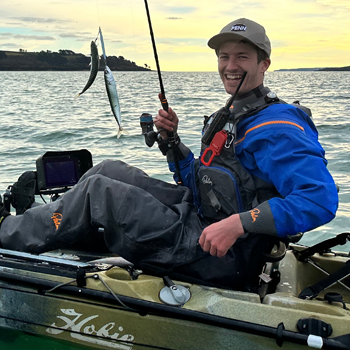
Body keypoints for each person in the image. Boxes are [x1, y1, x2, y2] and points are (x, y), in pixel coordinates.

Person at [0, 18, 338, 291]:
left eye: (242, 57)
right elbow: (199, 181)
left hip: (222, 256)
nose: (230, 66)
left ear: (264, 64)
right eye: (224, 56)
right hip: (200, 220)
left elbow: (319, 200)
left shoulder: (276, 126)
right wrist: (172, 141)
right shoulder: (236, 113)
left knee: (99, 191)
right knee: (110, 169)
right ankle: (61, 234)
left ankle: (7, 234)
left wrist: (238, 224)